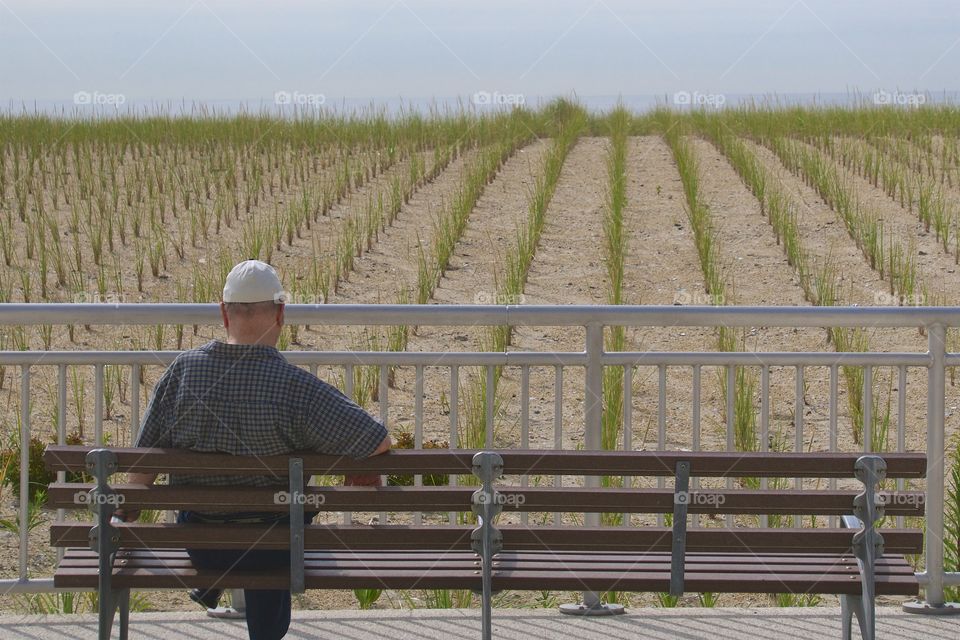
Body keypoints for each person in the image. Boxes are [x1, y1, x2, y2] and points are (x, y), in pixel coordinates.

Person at [116, 259, 390, 640]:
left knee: (246, 526)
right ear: (280, 314)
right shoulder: (296, 387)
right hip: (274, 549)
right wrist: (359, 464)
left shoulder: (182, 373)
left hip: (201, 545)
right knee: (277, 528)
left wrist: (124, 519)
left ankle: (212, 585)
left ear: (223, 314)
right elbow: (377, 440)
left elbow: (140, 470)